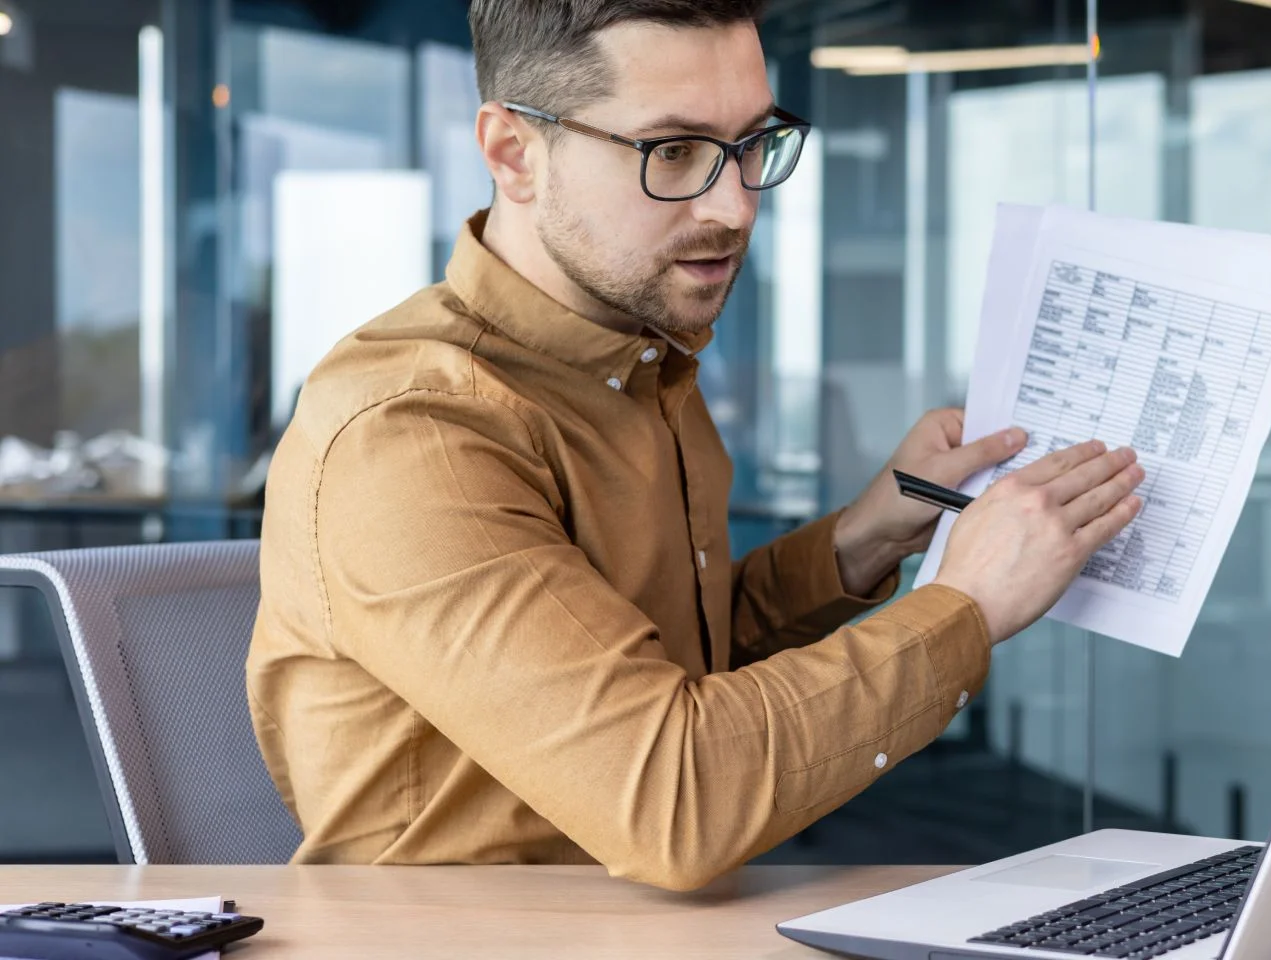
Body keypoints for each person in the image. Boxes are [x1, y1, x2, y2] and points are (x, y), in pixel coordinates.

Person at [246, 0, 1144, 891]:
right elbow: (679, 798)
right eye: (672, 151)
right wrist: (968, 603)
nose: (735, 204)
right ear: (514, 153)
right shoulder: (414, 434)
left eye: (752, 143)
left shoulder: (641, 361)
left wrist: (861, 540)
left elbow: (669, 656)